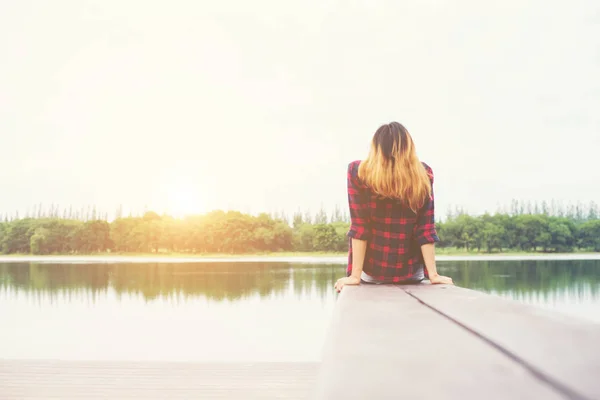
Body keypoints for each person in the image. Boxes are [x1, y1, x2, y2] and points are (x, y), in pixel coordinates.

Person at [335, 122, 453, 292]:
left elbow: (360, 226)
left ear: (375, 148)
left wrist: (355, 276)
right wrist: (433, 275)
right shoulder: (423, 173)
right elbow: (425, 228)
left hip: (372, 272)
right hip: (411, 274)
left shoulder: (358, 171)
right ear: (409, 148)